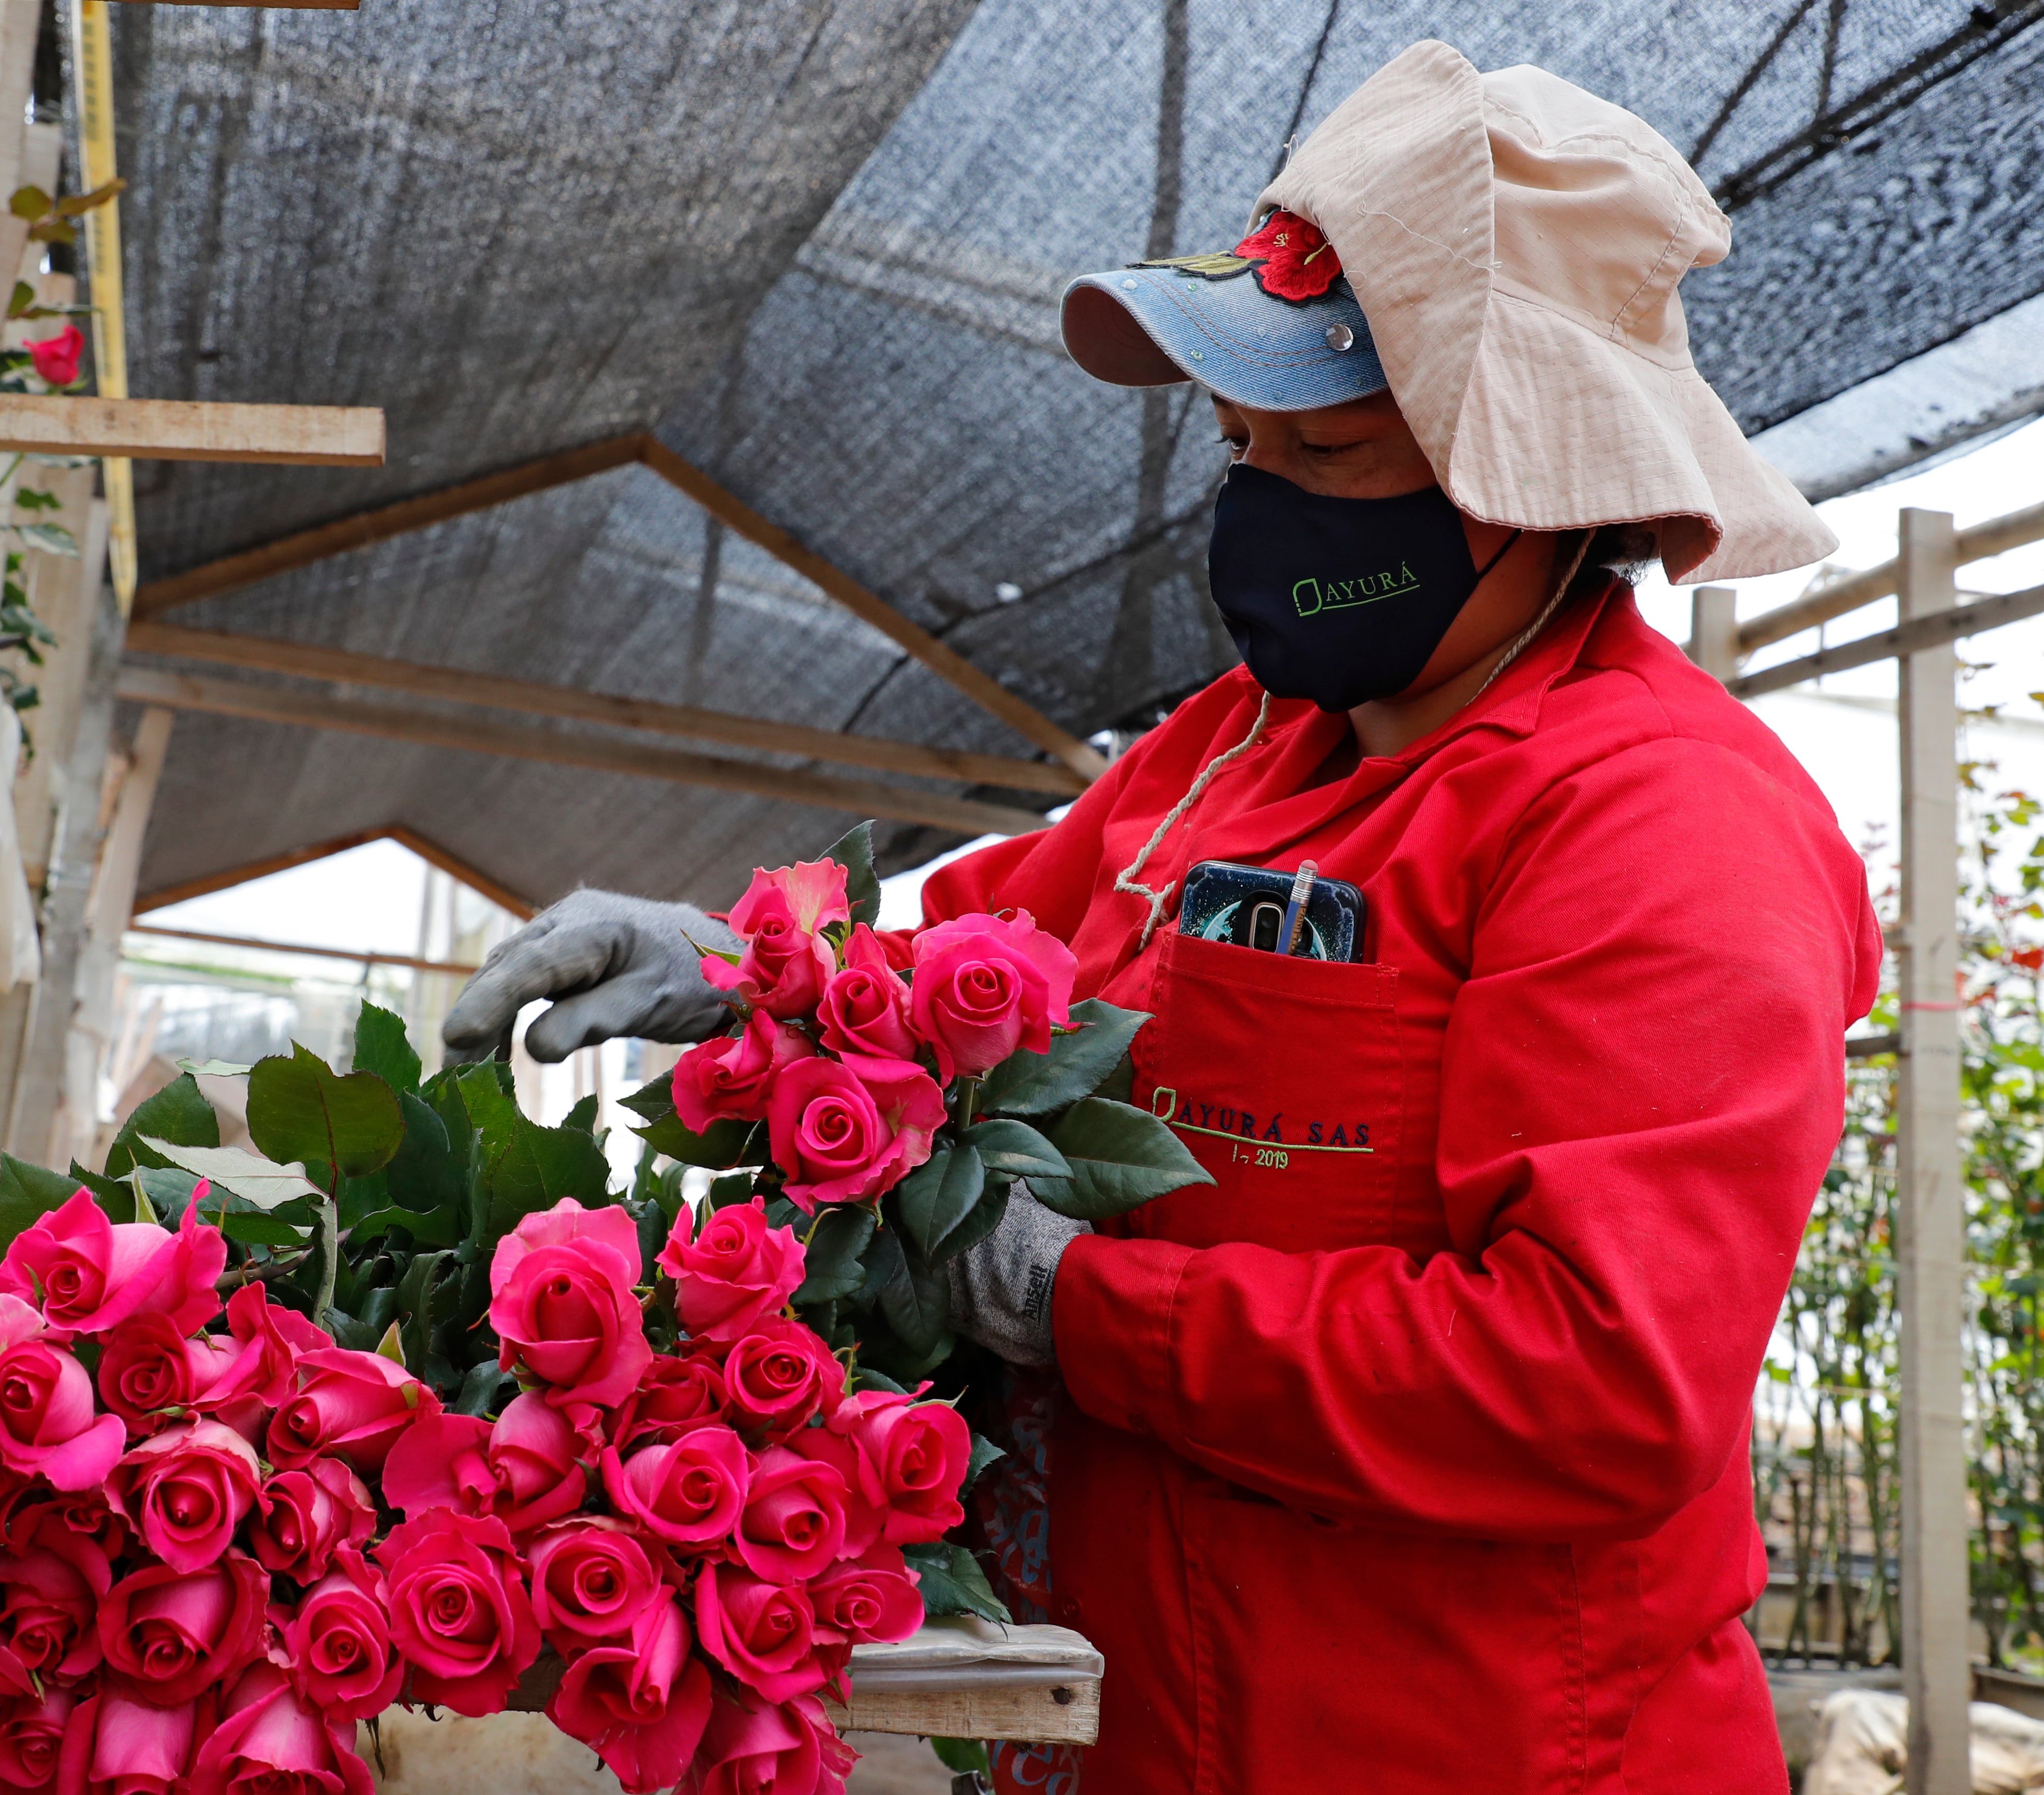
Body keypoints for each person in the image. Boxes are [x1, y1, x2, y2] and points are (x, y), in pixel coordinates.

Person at [443, 42, 1878, 1793]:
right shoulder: (1238, 747)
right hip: (1147, 1722)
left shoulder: (1655, 818)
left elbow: (1591, 1378)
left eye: (1329, 447)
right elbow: (970, 975)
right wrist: (743, 978)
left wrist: (1086, 1306)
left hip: (1464, 1746)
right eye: (1238, 440)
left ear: (1531, 470)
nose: (1257, 498)